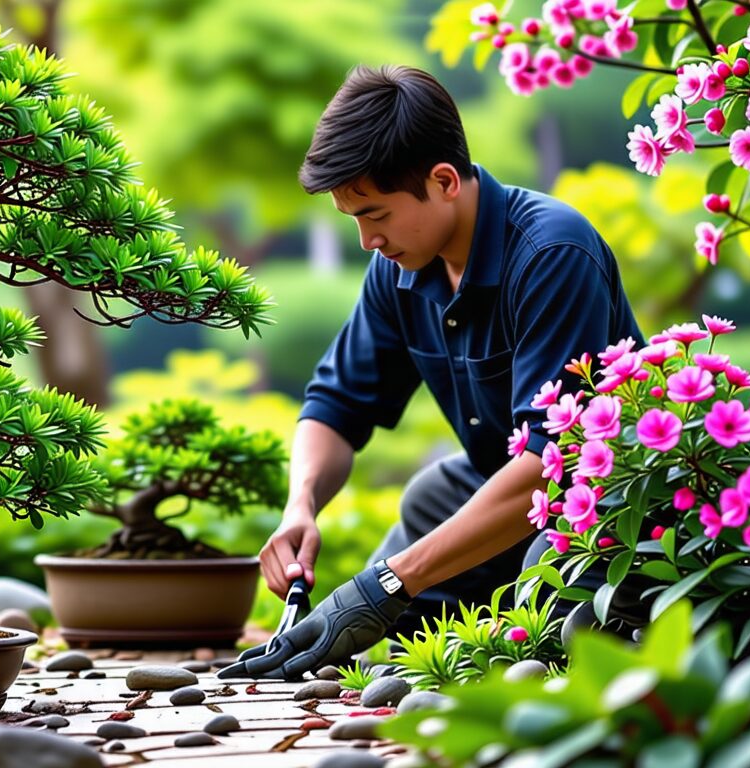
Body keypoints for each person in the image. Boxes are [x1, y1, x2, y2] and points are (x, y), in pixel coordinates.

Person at [218, 65, 644, 681]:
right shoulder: (398, 269)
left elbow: (555, 464)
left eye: (375, 214)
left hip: (594, 512)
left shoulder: (552, 253)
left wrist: (389, 582)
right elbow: (335, 405)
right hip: (503, 493)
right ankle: (412, 641)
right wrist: (301, 506)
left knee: (534, 594)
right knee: (429, 498)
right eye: (353, 220)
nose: (367, 240)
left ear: (444, 181)